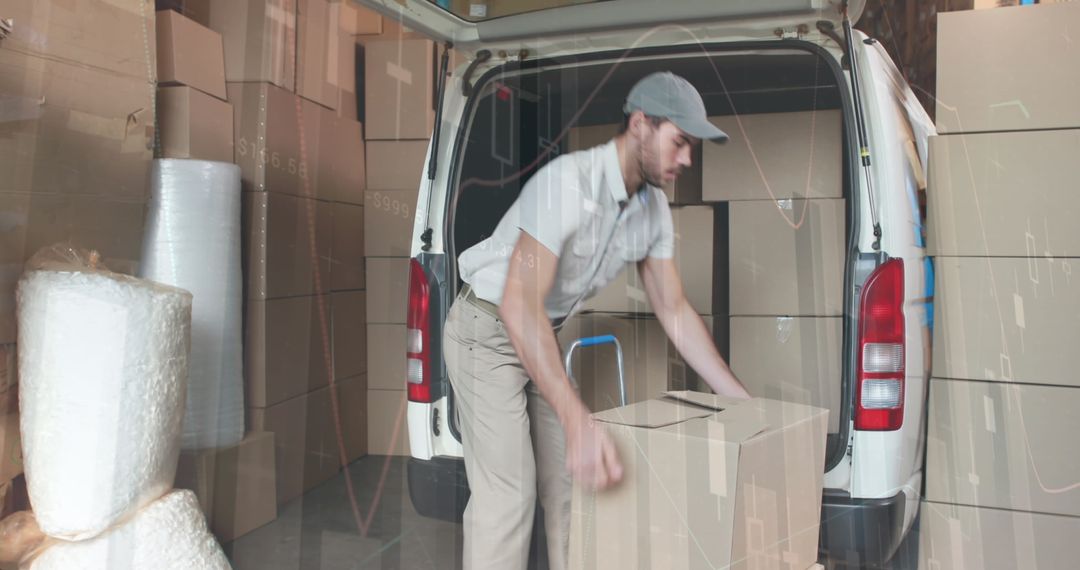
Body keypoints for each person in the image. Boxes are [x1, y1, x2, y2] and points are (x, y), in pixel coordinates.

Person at [444, 71, 751, 570]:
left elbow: (673, 309)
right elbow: (518, 306)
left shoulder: (652, 211)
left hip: (540, 330)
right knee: (511, 493)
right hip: (489, 332)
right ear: (639, 125)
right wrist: (577, 418)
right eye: (679, 142)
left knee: (572, 485)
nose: (688, 159)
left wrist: (741, 404)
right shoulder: (567, 184)